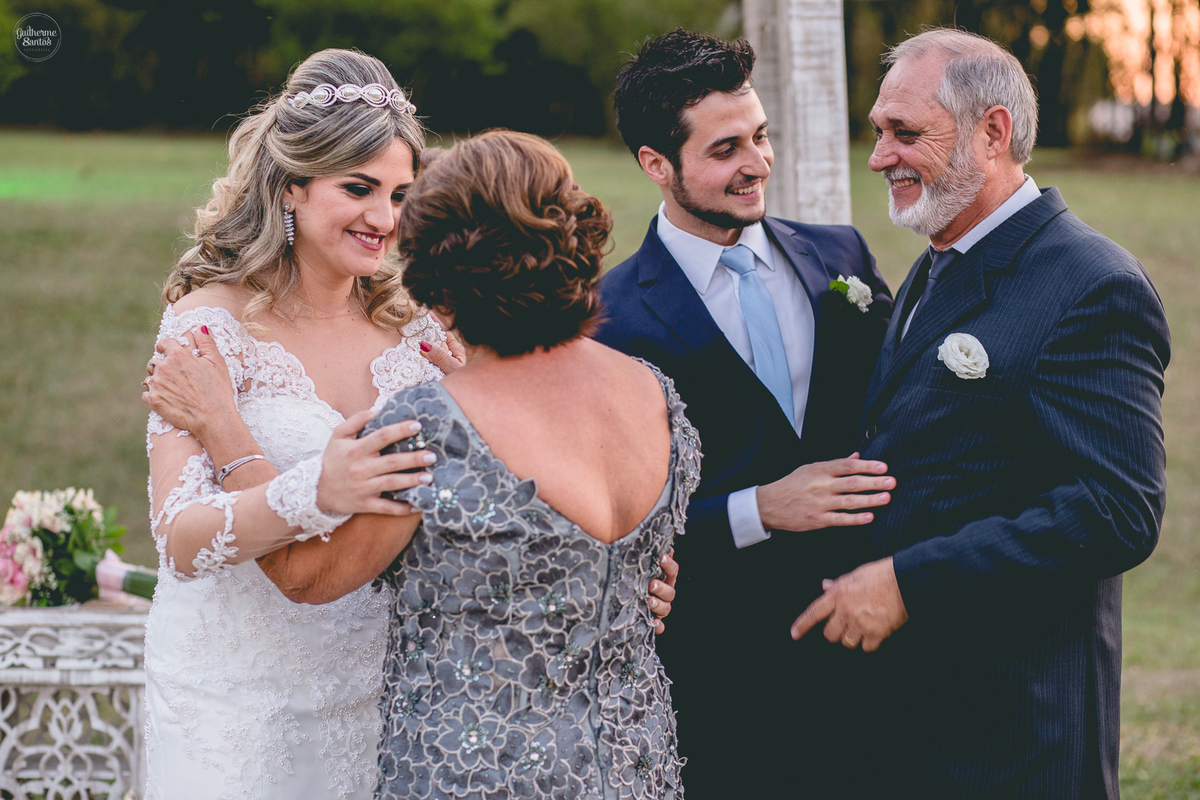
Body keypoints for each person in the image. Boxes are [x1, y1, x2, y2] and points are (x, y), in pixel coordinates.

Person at [140, 54, 680, 799]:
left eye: (400, 195)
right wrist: (303, 482)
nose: (383, 219)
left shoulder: (419, 329)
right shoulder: (209, 326)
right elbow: (179, 536)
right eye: (357, 188)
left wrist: (603, 575)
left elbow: (502, 463)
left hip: (392, 703)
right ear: (292, 184)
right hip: (243, 700)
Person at [252, 129, 700, 800]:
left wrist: (223, 432)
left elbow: (304, 576)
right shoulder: (654, 394)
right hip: (635, 766)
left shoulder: (430, 427)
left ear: (438, 278)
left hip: (476, 776)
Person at [790, 28, 1170, 799]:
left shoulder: (1091, 286)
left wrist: (910, 582)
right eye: (878, 131)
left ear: (992, 133)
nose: (880, 156)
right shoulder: (940, 257)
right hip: (907, 725)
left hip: (1009, 736)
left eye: (905, 133)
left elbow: (1118, 510)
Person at [592, 28, 895, 797]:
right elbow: (608, 523)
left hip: (868, 649)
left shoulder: (841, 258)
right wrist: (756, 509)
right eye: (725, 149)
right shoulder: (608, 319)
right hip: (718, 672)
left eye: (759, 137)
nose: (757, 163)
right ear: (657, 165)